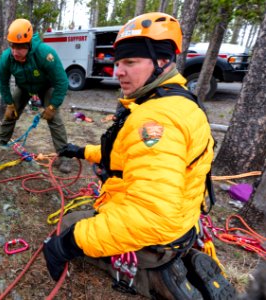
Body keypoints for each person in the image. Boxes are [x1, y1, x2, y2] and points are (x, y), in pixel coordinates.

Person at [42, 12, 236, 299]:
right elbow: (127, 157)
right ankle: (172, 259)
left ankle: (155, 276)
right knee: (82, 225)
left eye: (130, 62)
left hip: (158, 232)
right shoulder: (173, 102)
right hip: (179, 220)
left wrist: (66, 246)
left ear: (161, 62)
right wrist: (82, 151)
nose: (118, 71)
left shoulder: (156, 121)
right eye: (118, 62)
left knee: (70, 228)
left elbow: (149, 215)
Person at [0, 18, 72, 174]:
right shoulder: (6, 58)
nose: (16, 52)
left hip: (45, 86)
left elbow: (62, 81)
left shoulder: (45, 53)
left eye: (20, 47)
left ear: (29, 44)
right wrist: (9, 103)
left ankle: (65, 157)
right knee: (11, 114)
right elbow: (2, 82)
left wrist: (53, 105)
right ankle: (0, 144)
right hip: (23, 87)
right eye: (13, 46)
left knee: (54, 119)